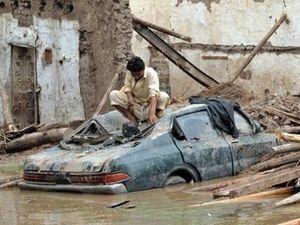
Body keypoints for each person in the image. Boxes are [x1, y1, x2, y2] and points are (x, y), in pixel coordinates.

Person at [109, 56, 170, 124]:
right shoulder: (130, 72)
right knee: (113, 95)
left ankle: (153, 117)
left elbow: (154, 94)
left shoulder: (151, 73)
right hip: (135, 104)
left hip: (148, 104)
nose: (136, 77)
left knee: (164, 97)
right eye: (134, 75)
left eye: (138, 74)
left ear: (143, 69)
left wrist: (152, 113)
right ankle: (132, 119)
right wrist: (130, 97)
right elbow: (127, 87)